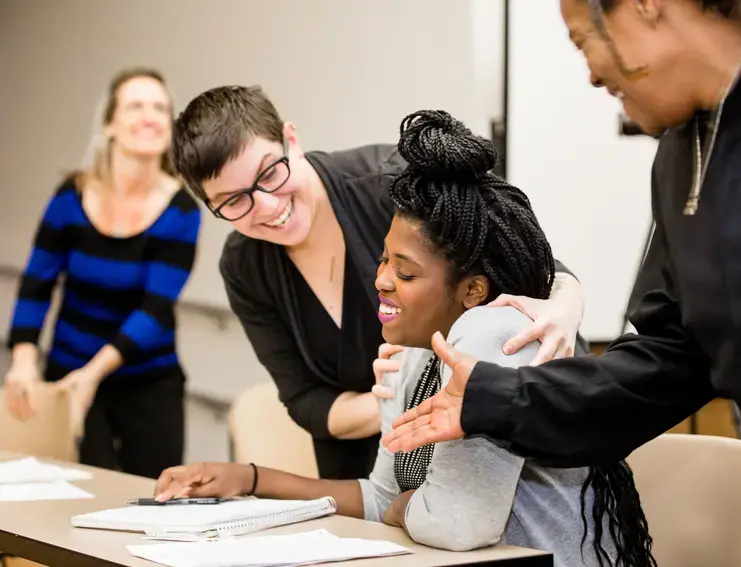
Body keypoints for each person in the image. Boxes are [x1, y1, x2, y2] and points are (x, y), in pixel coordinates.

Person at [383, 0, 741, 565]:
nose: (591, 74)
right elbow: (671, 359)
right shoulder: (682, 156)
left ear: (647, 7)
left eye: (585, 42)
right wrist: (497, 399)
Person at [154, 110, 655, 567]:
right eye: (381, 259)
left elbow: (457, 525)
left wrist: (402, 507)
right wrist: (253, 479)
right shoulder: (414, 354)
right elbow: (380, 495)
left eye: (406, 273)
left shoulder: (492, 337)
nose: (381, 280)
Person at [169, 86, 588, 480]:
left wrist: (567, 307)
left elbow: (535, 269)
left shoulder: (395, 184)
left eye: (270, 173)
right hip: (368, 479)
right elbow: (308, 404)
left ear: (290, 139)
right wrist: (402, 400)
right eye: (233, 201)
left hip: (490, 447)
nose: (266, 205)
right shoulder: (245, 266)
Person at [3, 67, 200, 479]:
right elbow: (37, 282)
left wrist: (91, 376)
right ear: (110, 123)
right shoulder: (70, 197)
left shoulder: (181, 209)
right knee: (74, 496)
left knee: (155, 498)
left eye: (160, 108)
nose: (149, 116)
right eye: (136, 105)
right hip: (67, 371)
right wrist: (23, 359)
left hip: (148, 380)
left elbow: (155, 308)